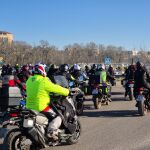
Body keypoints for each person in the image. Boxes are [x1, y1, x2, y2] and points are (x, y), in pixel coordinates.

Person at [26, 63, 70, 140]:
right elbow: (56, 88)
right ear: (42, 70)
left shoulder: (29, 80)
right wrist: (67, 91)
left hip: (29, 107)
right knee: (58, 116)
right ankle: (51, 131)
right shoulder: (43, 80)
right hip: (41, 107)